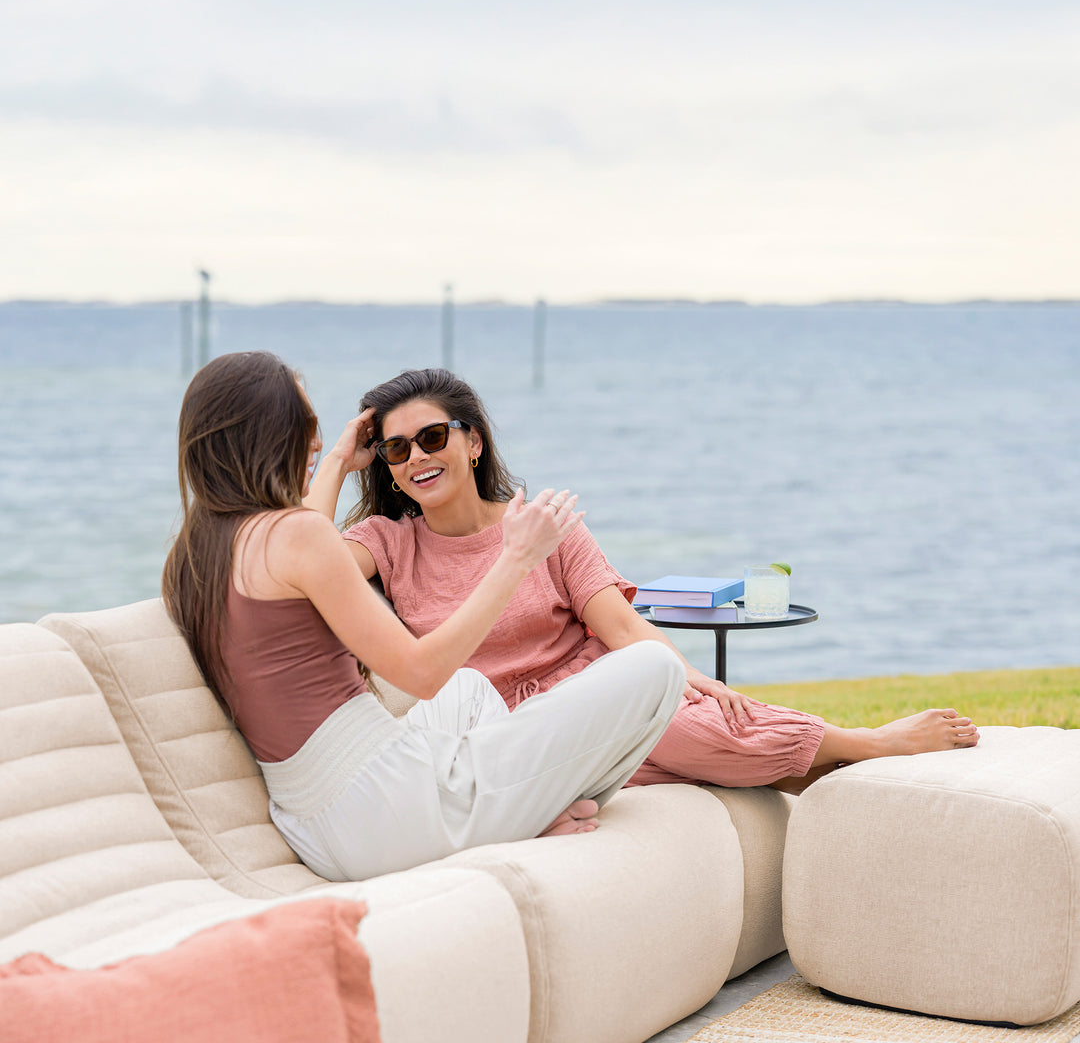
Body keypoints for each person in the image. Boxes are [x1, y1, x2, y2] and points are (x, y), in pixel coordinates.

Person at [311, 367, 979, 796]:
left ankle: (827, 756)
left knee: (693, 724)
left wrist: (697, 681)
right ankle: (858, 748)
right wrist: (339, 462)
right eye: (397, 450)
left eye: (432, 438)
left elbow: (622, 629)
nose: (417, 459)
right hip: (507, 729)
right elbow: (310, 559)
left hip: (607, 687)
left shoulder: (543, 524)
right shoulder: (385, 543)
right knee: (684, 740)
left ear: (474, 441)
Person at [161, 351, 684, 882]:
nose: (319, 443)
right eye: (309, 426)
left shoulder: (193, 555)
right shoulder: (294, 535)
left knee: (470, 691)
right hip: (381, 808)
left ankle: (514, 809)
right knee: (655, 669)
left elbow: (306, 550)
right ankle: (521, 813)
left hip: (312, 823)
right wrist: (516, 558)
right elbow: (420, 673)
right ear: (271, 435)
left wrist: (342, 461)